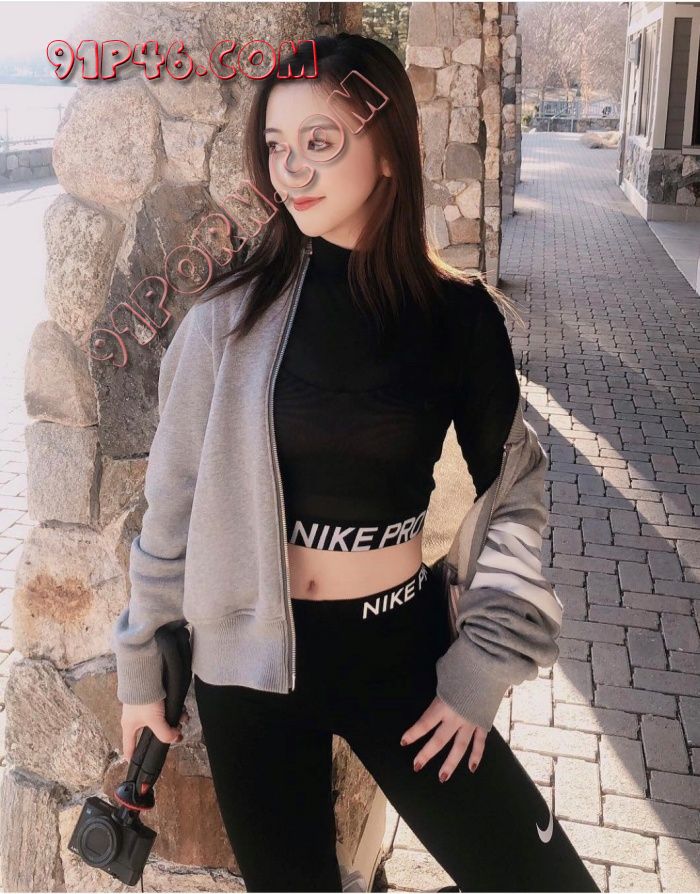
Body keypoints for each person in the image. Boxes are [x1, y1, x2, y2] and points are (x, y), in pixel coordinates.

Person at [113, 33, 599, 894]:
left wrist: (481, 670)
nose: (292, 167)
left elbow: (515, 494)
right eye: (277, 145)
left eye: (320, 141)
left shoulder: (458, 318)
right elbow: (172, 505)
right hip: (248, 674)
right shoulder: (226, 319)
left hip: (401, 655)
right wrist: (141, 670)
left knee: (548, 884)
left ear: (387, 151)